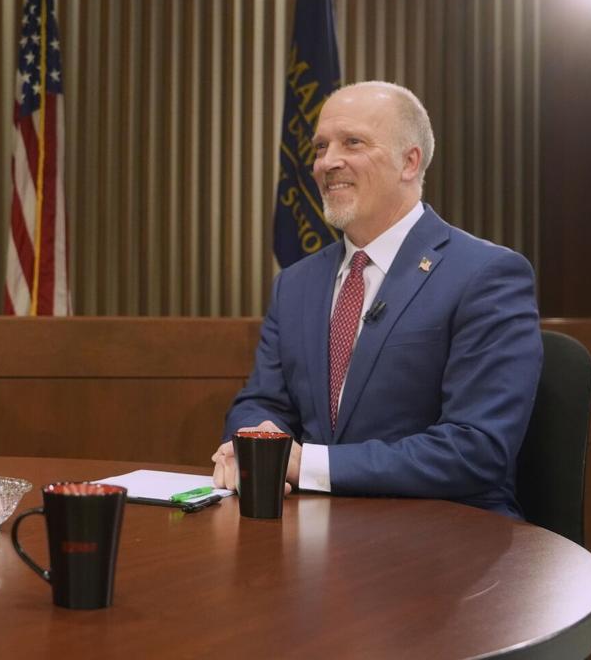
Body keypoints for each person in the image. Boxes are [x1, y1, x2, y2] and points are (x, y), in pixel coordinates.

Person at [212, 81, 541, 518]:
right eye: (320, 147)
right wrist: (256, 444)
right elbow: (263, 401)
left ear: (410, 162)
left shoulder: (486, 275)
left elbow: (475, 448)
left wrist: (303, 463)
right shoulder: (295, 283)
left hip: (450, 539)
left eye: (352, 143)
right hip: (314, 532)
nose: (327, 162)